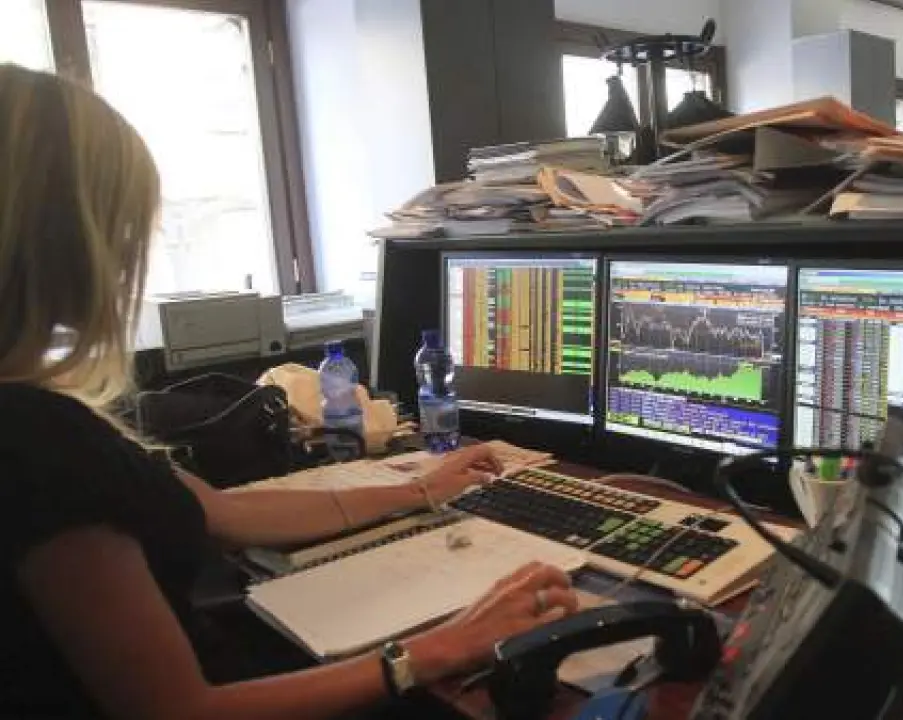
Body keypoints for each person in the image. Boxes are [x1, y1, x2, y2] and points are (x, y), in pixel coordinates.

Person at [0, 64, 578, 718]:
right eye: (123, 226)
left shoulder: (36, 411)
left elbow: (224, 514)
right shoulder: (36, 441)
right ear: (62, 238)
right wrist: (440, 648)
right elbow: (179, 711)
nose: (130, 254)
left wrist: (419, 491)